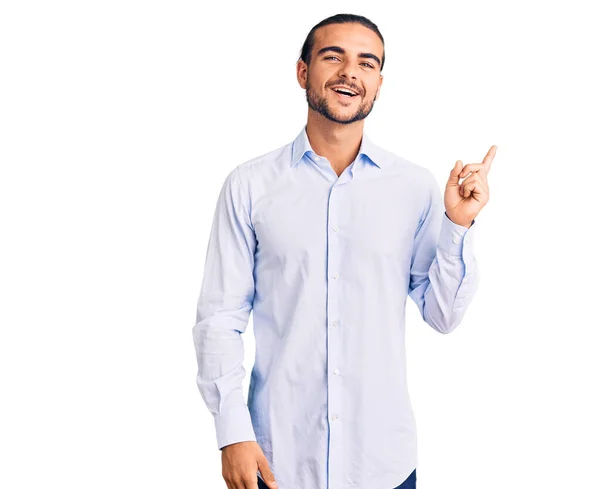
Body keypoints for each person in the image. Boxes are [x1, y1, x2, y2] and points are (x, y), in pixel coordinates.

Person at [192, 12, 495, 489]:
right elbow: (220, 319)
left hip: (383, 466)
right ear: (302, 72)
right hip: (276, 463)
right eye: (333, 57)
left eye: (366, 62)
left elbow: (442, 316)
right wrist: (232, 434)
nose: (350, 72)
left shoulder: (413, 187)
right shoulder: (249, 186)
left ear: (377, 83)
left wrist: (458, 224)